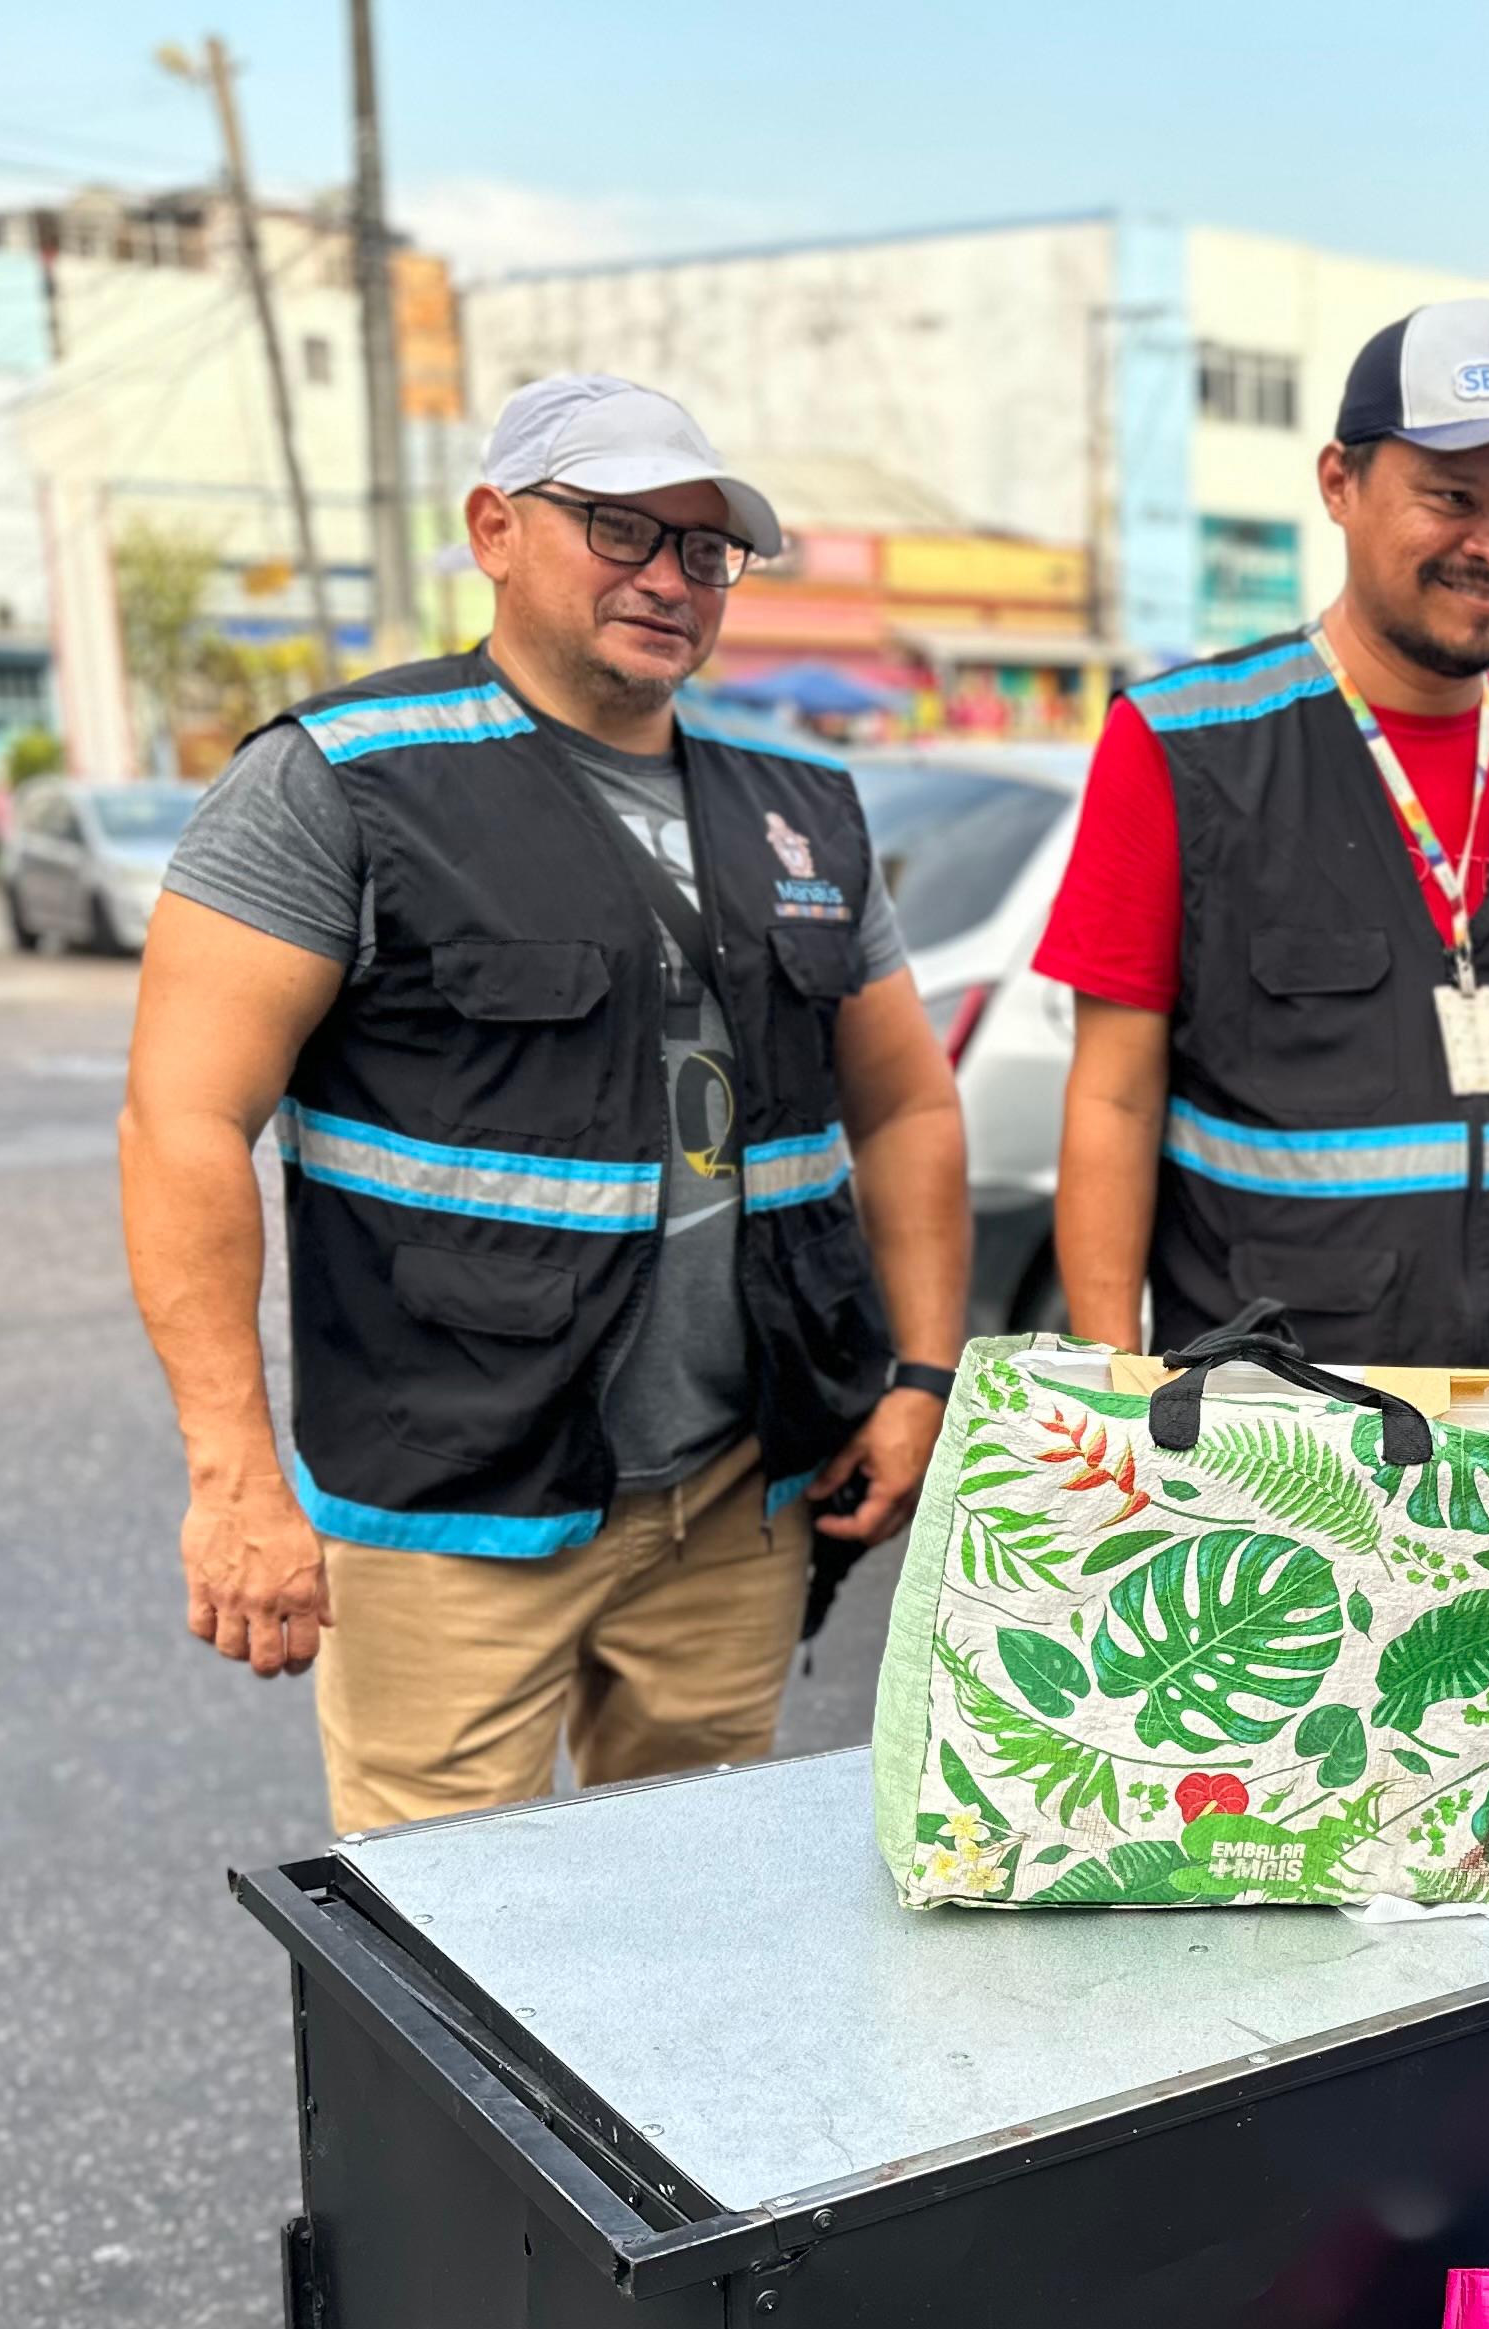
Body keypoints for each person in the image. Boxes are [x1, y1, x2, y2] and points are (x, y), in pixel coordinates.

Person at [119, 373, 970, 1833]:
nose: (669, 578)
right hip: (457, 1497)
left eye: (705, 550)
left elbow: (906, 1111)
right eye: (621, 529)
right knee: (455, 1952)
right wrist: (235, 1478)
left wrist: (920, 1380)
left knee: (697, 1906)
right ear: (495, 529)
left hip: (736, 1496)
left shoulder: (802, 802)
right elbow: (180, 1124)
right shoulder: (341, 782)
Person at [1040, 298, 1489, 1581]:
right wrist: (1119, 1407)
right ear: (1339, 482)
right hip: (1268, 1452)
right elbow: (1112, 1098)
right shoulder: (1183, 746)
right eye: (1450, 497)